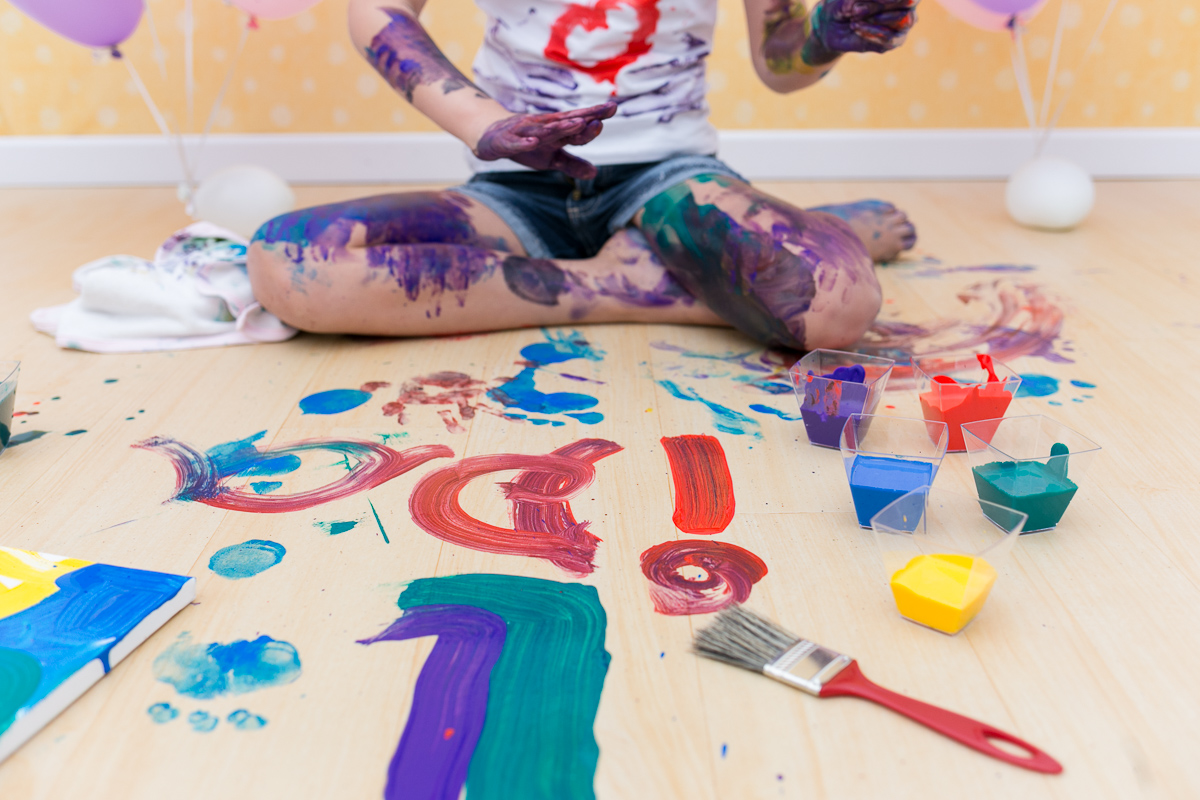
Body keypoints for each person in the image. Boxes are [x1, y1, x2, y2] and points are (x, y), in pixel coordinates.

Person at [247, 0, 918, 350]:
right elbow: (378, 10)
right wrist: (486, 125)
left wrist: (825, 34)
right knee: (289, 264)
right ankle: (635, 280)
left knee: (839, 307)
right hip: (514, 189)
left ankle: (736, 253)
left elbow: (779, 59)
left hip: (669, 183)